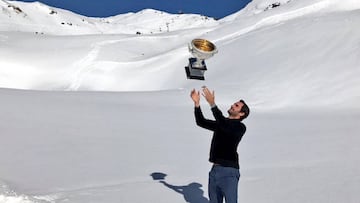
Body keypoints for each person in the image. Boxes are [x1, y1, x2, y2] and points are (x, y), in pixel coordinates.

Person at [190, 86, 249, 203]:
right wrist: (197, 104)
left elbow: (225, 125)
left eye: (236, 106)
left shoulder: (240, 127)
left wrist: (212, 103)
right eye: (234, 103)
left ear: (241, 113)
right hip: (214, 170)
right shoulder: (222, 124)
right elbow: (201, 122)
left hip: (229, 172)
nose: (232, 105)